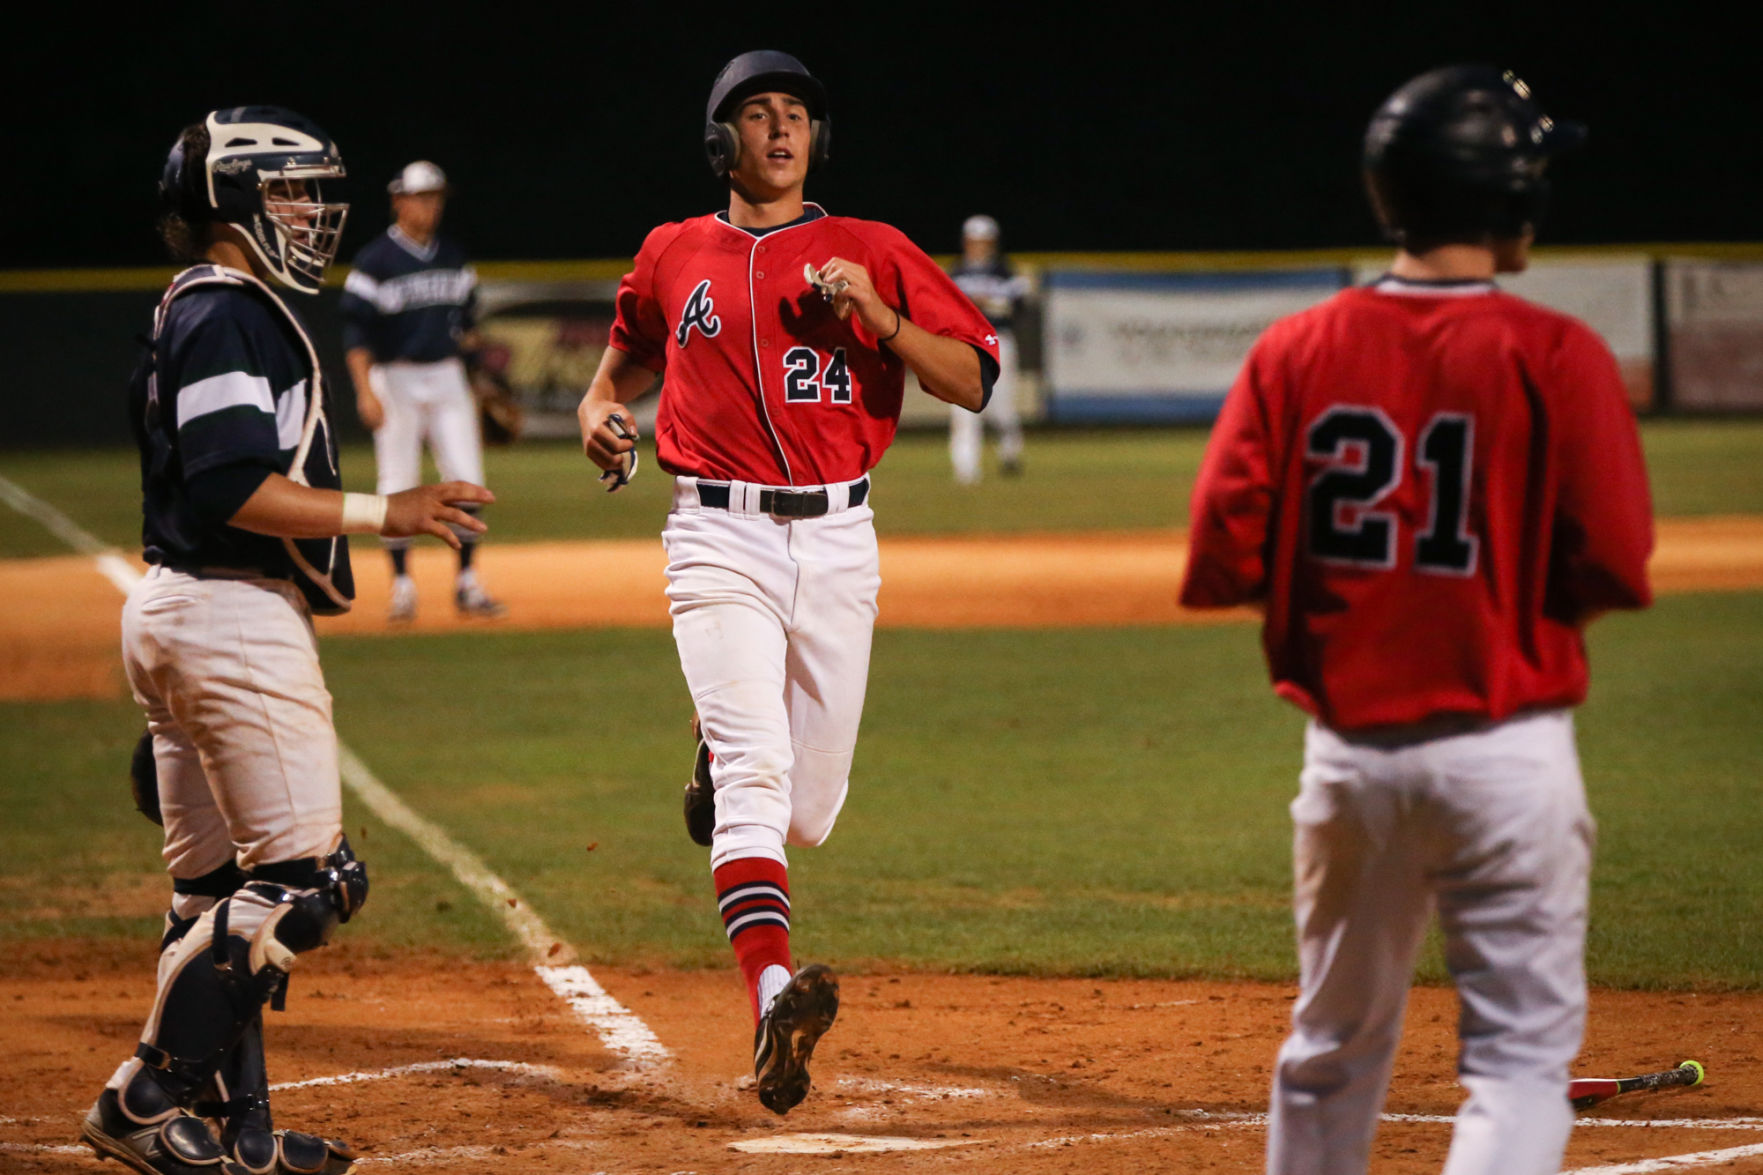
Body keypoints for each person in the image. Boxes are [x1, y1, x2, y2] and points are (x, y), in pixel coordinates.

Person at [1178, 67, 1653, 1175]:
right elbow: (1613, 563)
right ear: (1509, 192)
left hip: (1346, 760)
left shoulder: (1292, 350)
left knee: (1326, 1048)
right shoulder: (1552, 351)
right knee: (1516, 1067)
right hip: (1503, 746)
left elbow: (1216, 560)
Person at [576, 50, 999, 1115]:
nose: (779, 131)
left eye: (796, 115)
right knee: (760, 775)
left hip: (841, 536)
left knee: (805, 809)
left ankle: (717, 759)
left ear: (817, 138)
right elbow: (629, 348)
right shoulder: (676, 251)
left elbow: (977, 377)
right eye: (758, 115)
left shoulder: (870, 249)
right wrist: (596, 402)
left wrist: (882, 319)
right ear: (721, 140)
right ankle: (772, 998)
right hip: (715, 533)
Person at [85, 107, 493, 1175]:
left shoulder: (194, 305)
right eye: (290, 192)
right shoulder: (227, 310)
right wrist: (384, 512)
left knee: (216, 898)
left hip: (183, 609)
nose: (311, 213)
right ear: (231, 201)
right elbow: (228, 479)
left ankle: (240, 1134)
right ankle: (144, 1096)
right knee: (308, 885)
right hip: (228, 615)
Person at [340, 160, 505, 621]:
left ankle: (468, 583)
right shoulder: (375, 261)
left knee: (468, 478)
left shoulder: (453, 256)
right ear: (399, 201)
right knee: (397, 482)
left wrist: (482, 380)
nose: (431, 206)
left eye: (436, 197)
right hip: (394, 378)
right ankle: (402, 586)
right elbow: (356, 336)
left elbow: (468, 328)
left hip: (448, 375)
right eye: (422, 196)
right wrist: (364, 392)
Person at [947, 214, 1028, 483]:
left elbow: (1019, 306)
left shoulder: (1004, 271)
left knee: (1001, 406)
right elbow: (944, 308)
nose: (977, 246)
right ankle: (966, 469)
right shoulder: (956, 271)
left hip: (998, 340)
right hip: (965, 342)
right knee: (963, 406)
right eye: (973, 241)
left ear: (992, 242)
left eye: (983, 241)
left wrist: (987, 302)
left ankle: (1010, 450)